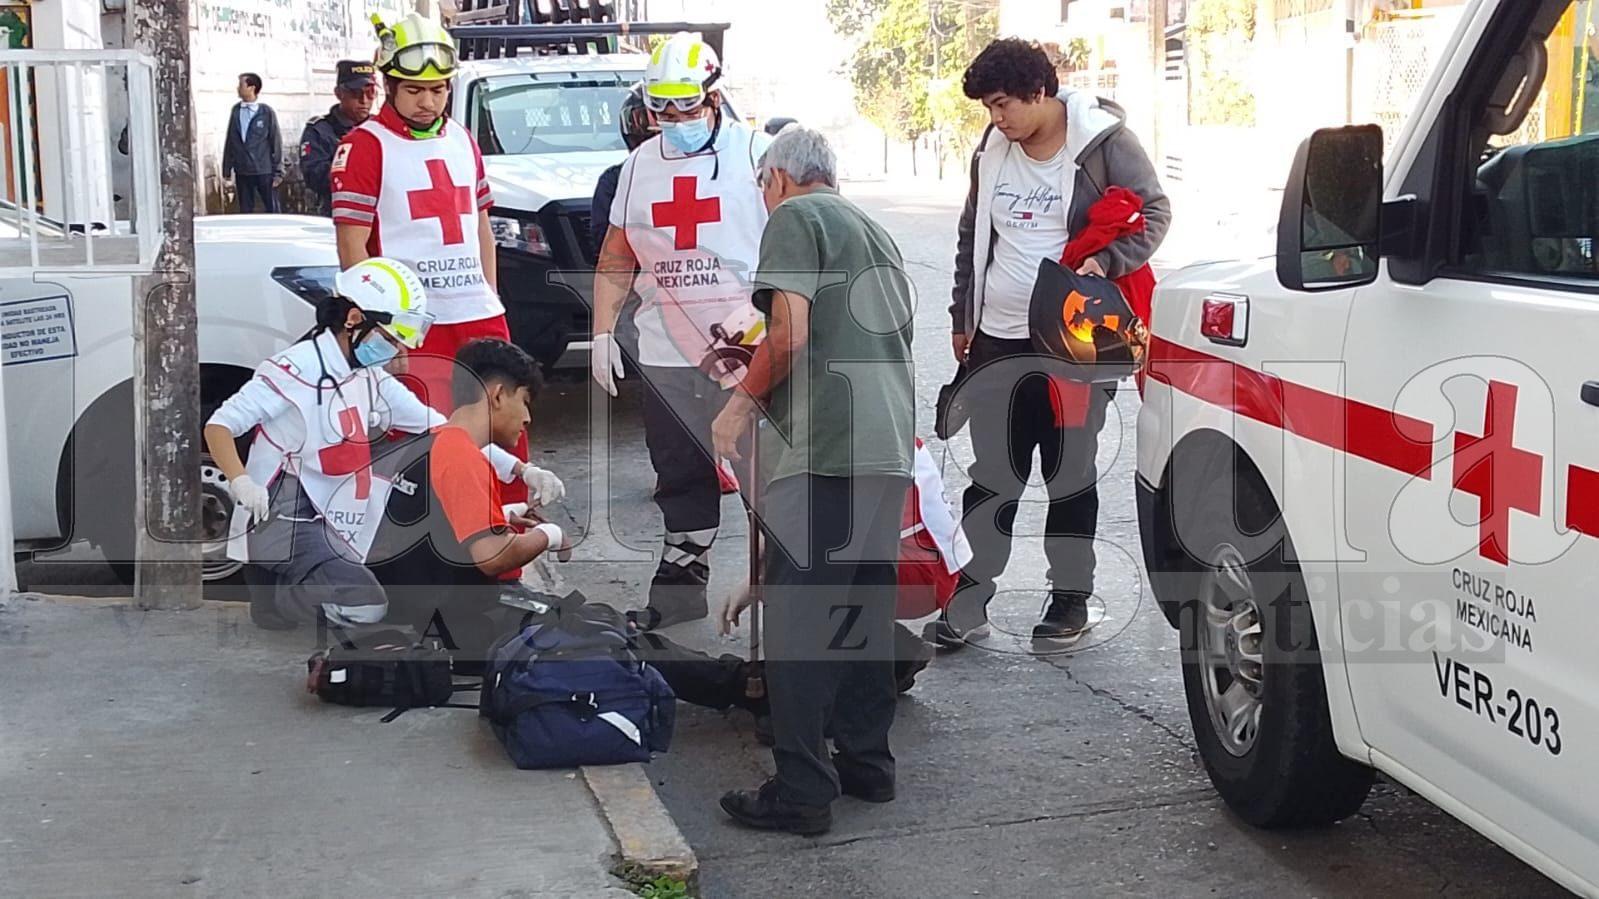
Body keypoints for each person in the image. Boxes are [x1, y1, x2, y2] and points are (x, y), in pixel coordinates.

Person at [709, 127, 916, 835]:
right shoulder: (873, 231)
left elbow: (788, 334)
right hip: (883, 446)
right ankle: (867, 762)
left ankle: (801, 788)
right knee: (858, 610)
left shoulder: (797, 218)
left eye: (760, 185)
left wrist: (737, 409)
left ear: (777, 178)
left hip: (826, 444)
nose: (761, 199)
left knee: (800, 627)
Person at [939, 38, 1169, 647]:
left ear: (1039, 92)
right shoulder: (991, 149)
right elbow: (972, 234)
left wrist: (1109, 261)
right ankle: (969, 598)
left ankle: (1068, 601)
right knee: (993, 475)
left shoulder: (1102, 144)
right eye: (989, 108)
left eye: (1004, 104)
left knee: (1070, 473)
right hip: (996, 340)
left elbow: (1155, 212)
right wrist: (963, 312)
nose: (997, 118)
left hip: (1074, 344)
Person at [203, 258, 544, 631]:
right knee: (367, 606)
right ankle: (284, 596)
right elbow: (220, 425)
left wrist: (520, 469)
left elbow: (443, 429)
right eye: (389, 337)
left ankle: (303, 583)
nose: (396, 350)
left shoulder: (367, 377)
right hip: (286, 516)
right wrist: (241, 482)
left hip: (334, 511)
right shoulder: (293, 370)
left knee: (420, 479)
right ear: (353, 320)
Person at [330, 13, 551, 507]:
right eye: (414, 90)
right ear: (390, 85)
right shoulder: (363, 146)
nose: (428, 101)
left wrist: (492, 299)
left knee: (503, 431)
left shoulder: (462, 139)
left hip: (478, 311)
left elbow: (480, 229)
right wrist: (379, 331)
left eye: (438, 88)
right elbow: (352, 248)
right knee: (424, 440)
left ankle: (507, 547)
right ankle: (441, 559)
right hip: (414, 323)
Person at [591, 31, 771, 631]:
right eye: (660, 107)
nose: (672, 119)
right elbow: (618, 256)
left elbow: (801, 238)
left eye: (685, 106)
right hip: (666, 343)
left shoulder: (757, 154)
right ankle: (681, 586)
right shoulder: (639, 167)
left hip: (746, 343)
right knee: (679, 468)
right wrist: (601, 333)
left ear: (714, 98)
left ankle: (783, 579)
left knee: (764, 471)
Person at [365, 338, 572, 661]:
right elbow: (493, 557)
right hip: (457, 629)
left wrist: (506, 513)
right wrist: (550, 536)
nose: (528, 417)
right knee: (596, 632)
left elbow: (435, 523)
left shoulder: (431, 443)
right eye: (525, 400)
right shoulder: (463, 457)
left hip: (413, 612)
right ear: (498, 395)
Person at [300, 60, 377, 217]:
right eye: (356, 93)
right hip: (338, 214)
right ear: (339, 94)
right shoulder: (320, 130)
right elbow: (314, 176)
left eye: (370, 93)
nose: (364, 100)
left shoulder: (380, 128)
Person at [222, 72, 283, 213]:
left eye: (241, 85)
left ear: (251, 88)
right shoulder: (236, 111)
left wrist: (278, 172)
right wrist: (227, 169)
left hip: (263, 170)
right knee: (245, 210)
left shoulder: (266, 112)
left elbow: (276, 141)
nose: (238, 88)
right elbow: (231, 140)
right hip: (242, 170)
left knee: (272, 208)